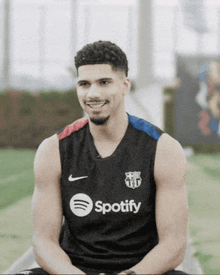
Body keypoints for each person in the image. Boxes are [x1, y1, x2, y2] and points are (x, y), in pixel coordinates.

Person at [17, 41, 188, 275]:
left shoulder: (163, 148)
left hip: (141, 270)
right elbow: (43, 241)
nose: (93, 93)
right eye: (84, 84)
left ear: (125, 85)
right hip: (75, 270)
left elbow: (173, 244)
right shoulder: (53, 149)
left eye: (104, 82)